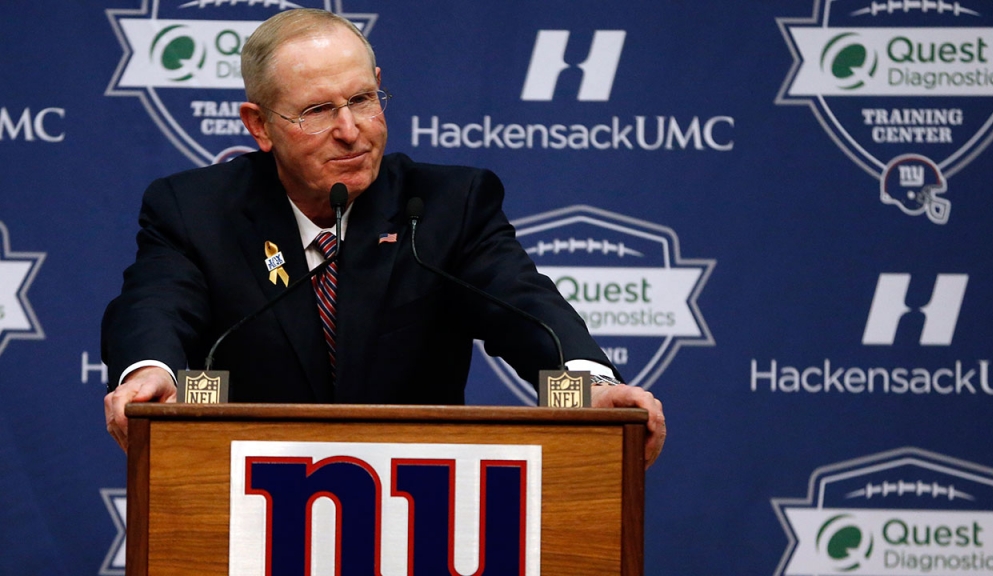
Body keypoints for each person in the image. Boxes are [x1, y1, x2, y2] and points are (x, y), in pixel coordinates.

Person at [102, 9, 665, 466]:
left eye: (363, 101)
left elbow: (526, 308)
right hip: (246, 494)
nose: (351, 131)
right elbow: (156, 303)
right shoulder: (195, 209)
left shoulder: (445, 206)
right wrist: (152, 370)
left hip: (418, 503)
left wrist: (589, 389)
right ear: (258, 125)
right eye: (318, 111)